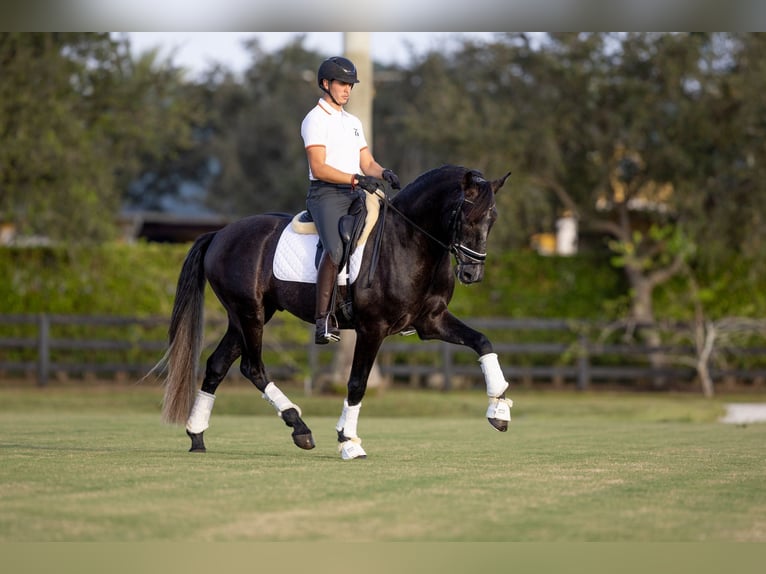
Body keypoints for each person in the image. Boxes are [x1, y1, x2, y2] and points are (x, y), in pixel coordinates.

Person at [301, 56, 401, 344]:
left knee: (391, 230)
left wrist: (384, 172)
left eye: (350, 85)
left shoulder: (353, 122)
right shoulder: (315, 120)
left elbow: (366, 162)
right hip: (326, 194)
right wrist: (356, 179)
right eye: (343, 84)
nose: (347, 89)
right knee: (335, 249)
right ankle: (322, 321)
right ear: (325, 83)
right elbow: (319, 167)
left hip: (355, 191)